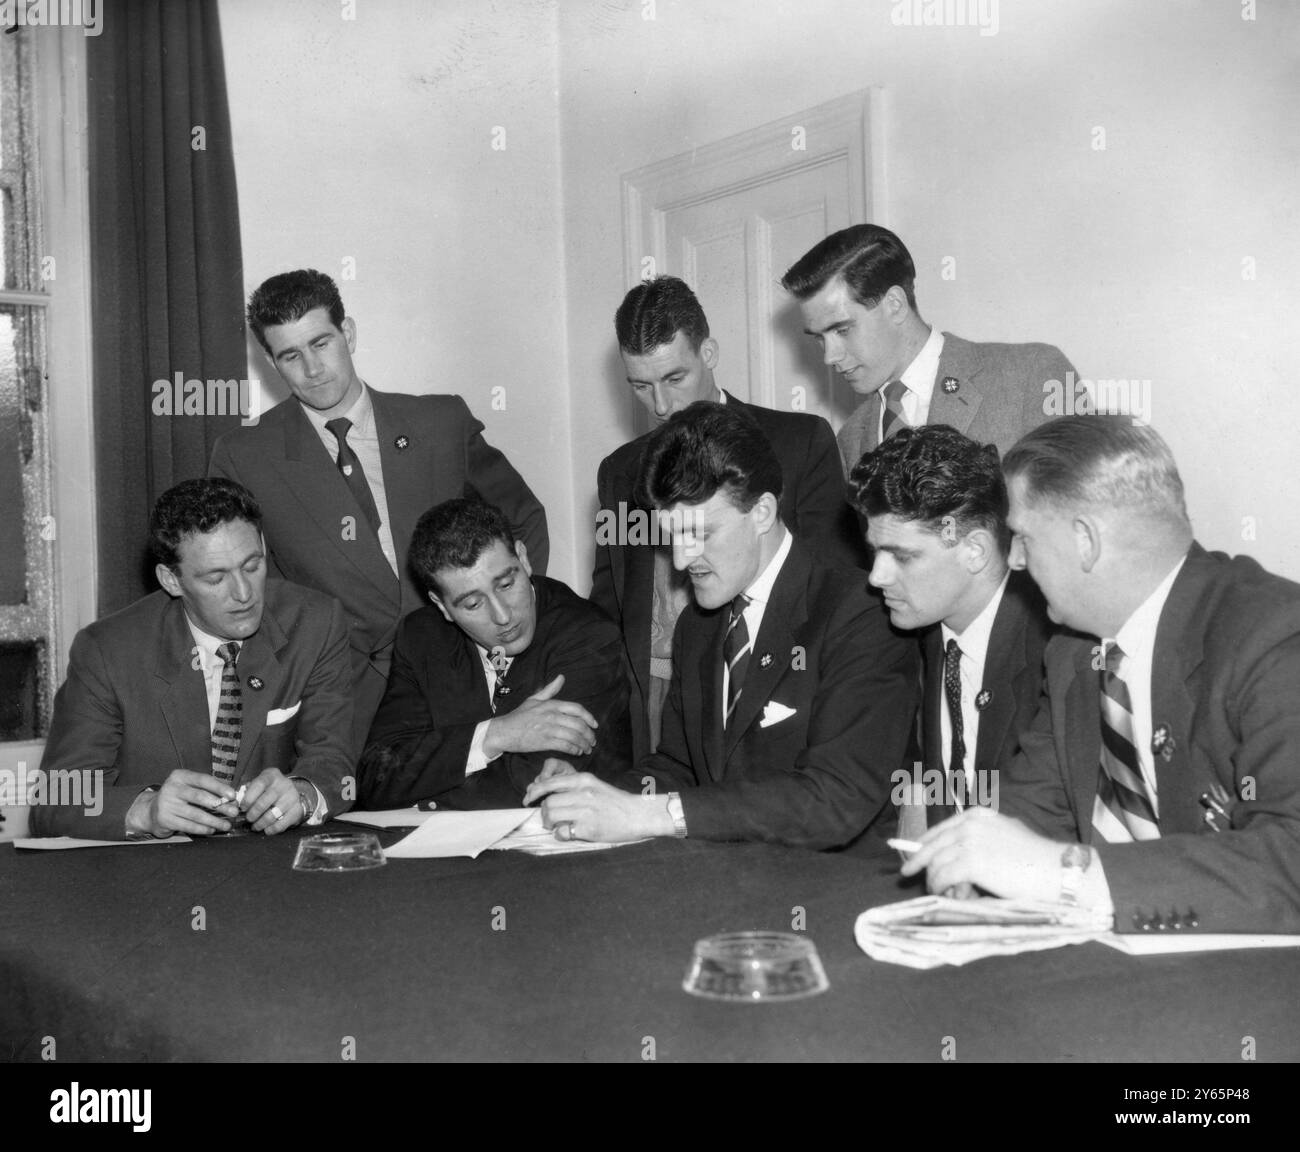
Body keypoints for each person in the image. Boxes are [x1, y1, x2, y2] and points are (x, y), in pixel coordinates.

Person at [905, 416, 1300, 933]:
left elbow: (1290, 863)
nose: (1016, 562)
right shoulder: (1073, 652)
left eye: (1022, 537)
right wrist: (973, 864)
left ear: (1085, 540)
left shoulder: (1272, 638)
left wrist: (1071, 876)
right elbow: (1038, 802)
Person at [527, 402, 918, 849]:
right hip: (730, 882)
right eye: (671, 537)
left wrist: (651, 814)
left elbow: (834, 800)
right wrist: (597, 794)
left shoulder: (858, 612)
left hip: (835, 888)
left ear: (762, 513)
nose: (679, 560)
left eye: (699, 534)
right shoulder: (700, 624)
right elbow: (680, 767)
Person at [210, 269, 548, 755]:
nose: (312, 368)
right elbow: (247, 584)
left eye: (321, 343)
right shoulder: (245, 454)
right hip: (337, 700)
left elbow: (522, 519)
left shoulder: (440, 421)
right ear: (271, 362)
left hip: (463, 676)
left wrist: (506, 620)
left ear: (348, 334)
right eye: (290, 355)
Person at [592, 274, 865, 763]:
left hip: (768, 688)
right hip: (654, 699)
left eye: (675, 378)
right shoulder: (618, 472)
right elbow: (608, 612)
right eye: (640, 385)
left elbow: (834, 588)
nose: (660, 405)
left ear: (709, 353)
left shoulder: (798, 442)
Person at [30, 479, 353, 840]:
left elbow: (337, 767)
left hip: (271, 870)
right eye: (216, 578)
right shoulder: (107, 651)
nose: (244, 593)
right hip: (154, 878)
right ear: (171, 580)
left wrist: (305, 793)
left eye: (252, 566)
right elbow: (54, 801)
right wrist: (145, 811)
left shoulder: (315, 623)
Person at [358, 499, 631, 810]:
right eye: (473, 604)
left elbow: (526, 791)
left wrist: (425, 780)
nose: (502, 616)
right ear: (441, 605)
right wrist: (495, 735)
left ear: (524, 559)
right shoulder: (422, 637)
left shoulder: (588, 635)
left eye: (506, 584)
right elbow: (374, 777)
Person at [849, 424, 1053, 829]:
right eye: (875, 552)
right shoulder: (926, 624)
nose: (876, 577)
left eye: (903, 557)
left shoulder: (1053, 650)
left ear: (974, 551)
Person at [781, 224, 1076, 469]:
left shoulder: (1032, 374)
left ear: (894, 305)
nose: (829, 356)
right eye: (819, 337)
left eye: (842, 329)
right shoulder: (850, 441)